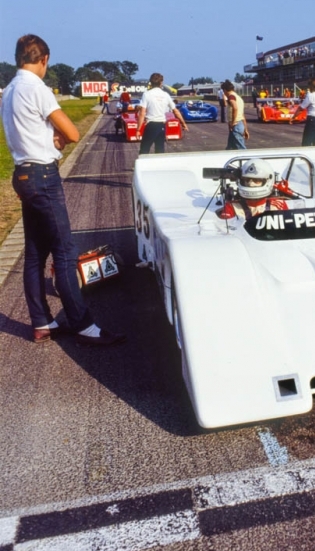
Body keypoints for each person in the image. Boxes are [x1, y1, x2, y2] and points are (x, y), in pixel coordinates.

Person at [1, 35, 125, 345]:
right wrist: (58, 137)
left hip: (23, 174)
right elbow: (71, 131)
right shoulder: (37, 89)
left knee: (34, 254)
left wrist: (50, 137)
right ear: (44, 59)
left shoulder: (10, 90)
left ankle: (42, 322)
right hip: (43, 176)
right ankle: (83, 325)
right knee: (65, 252)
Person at [217, 159, 289, 219]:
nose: (250, 184)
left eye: (256, 180)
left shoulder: (278, 205)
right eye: (247, 180)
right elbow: (225, 229)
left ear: (267, 181)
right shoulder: (232, 207)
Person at [136, 73, 188, 153]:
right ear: (161, 82)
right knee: (160, 150)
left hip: (151, 125)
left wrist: (138, 130)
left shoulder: (146, 94)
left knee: (144, 150)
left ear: (151, 82)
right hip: (162, 126)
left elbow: (142, 113)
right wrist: (183, 124)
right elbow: (176, 111)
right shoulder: (165, 95)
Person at [292, 77, 315, 146]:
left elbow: (301, 108)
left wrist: (293, 117)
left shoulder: (311, 95)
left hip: (312, 121)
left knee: (306, 144)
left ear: (312, 86)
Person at [222, 80, 249, 149]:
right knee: (230, 148)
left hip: (236, 126)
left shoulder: (231, 97)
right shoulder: (239, 98)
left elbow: (235, 108)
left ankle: (247, 159)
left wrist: (233, 122)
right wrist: (245, 129)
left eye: (223, 91)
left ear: (225, 90)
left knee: (241, 149)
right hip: (240, 125)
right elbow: (242, 116)